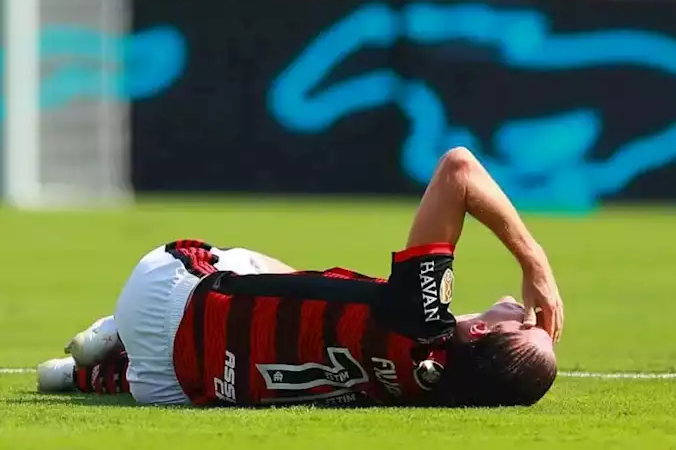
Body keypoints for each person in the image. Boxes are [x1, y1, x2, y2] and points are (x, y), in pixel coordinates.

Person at [35, 148, 565, 407]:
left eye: (525, 326)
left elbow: (459, 169)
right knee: (305, 323)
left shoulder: (423, 321)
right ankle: (84, 375)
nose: (526, 313)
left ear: (481, 334)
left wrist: (535, 262)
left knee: (280, 275)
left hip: (158, 293)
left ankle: (114, 329)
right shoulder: (426, 391)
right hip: (174, 385)